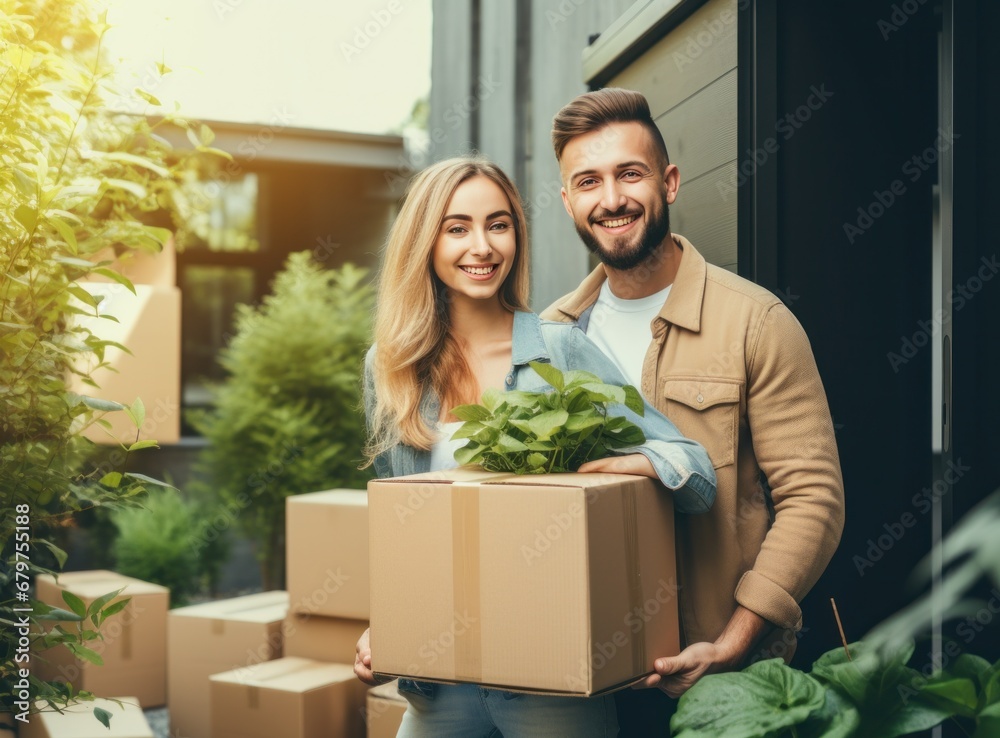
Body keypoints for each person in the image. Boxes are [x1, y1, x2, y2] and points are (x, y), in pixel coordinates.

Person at [353, 156, 717, 737]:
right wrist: (386, 626)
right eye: (457, 228)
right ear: (424, 241)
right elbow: (400, 530)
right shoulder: (391, 368)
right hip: (439, 685)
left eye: (499, 225)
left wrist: (636, 462)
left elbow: (695, 471)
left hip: (552, 680)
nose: (483, 246)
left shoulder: (559, 348)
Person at [540, 88, 846, 733]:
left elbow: (812, 499)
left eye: (630, 174)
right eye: (587, 181)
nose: (612, 198)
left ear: (669, 182)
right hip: (581, 684)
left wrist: (735, 642)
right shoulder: (549, 337)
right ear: (568, 201)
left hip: (728, 684)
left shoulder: (756, 322)